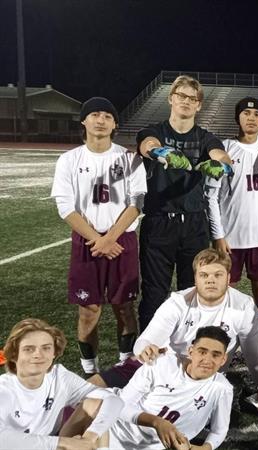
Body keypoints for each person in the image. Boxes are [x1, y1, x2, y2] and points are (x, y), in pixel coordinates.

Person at [50, 96, 145, 377]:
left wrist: (110, 238)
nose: (100, 120)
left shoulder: (130, 159)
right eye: (94, 115)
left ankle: (125, 366)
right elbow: (65, 207)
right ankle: (89, 372)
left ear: (115, 123)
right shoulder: (68, 160)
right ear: (84, 121)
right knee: (88, 309)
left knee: (124, 307)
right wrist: (98, 239)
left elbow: (136, 203)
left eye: (107, 115)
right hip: (86, 241)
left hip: (121, 241)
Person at [88, 249, 258, 391]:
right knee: (95, 385)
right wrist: (146, 349)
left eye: (217, 275)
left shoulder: (243, 307)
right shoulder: (178, 302)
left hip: (201, 375)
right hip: (166, 364)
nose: (210, 280)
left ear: (228, 278)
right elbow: (146, 340)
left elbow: (254, 358)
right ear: (195, 279)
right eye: (204, 275)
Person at [136, 75, 233, 330]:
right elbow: (147, 145)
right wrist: (161, 152)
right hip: (159, 222)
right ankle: (149, 353)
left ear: (199, 105)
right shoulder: (155, 131)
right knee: (155, 293)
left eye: (193, 98)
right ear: (171, 98)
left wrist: (219, 164)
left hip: (194, 224)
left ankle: (188, 347)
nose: (186, 102)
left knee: (193, 292)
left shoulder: (204, 137)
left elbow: (222, 155)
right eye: (181, 96)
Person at [206, 96, 258, 347]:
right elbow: (210, 195)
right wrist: (218, 234)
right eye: (246, 114)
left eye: (257, 115)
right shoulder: (224, 149)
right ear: (238, 118)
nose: (251, 118)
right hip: (230, 238)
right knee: (225, 292)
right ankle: (224, 342)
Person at [101, 326, 233, 450]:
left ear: (223, 359)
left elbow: (219, 430)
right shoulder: (161, 364)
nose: (207, 360)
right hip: (112, 433)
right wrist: (157, 422)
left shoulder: (222, 389)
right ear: (191, 351)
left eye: (215, 355)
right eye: (202, 352)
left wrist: (204, 448)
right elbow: (120, 405)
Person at [0, 318, 123, 450]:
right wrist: (65, 442)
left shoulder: (60, 377)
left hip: (53, 445)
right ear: (13, 355)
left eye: (46, 348)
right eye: (28, 349)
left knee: (95, 405)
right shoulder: (4, 389)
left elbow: (113, 400)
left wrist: (90, 437)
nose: (38, 354)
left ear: (54, 353)